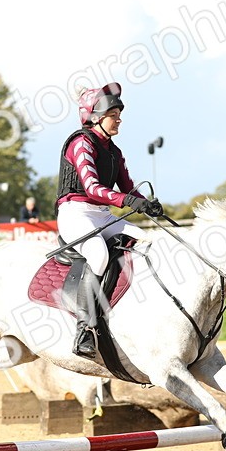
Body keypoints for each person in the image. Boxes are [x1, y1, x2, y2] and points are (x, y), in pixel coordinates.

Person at [55, 82, 161, 358]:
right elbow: (92, 188)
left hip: (101, 215)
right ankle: (85, 329)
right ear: (95, 117)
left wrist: (147, 204)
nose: (119, 120)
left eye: (119, 114)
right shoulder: (81, 143)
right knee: (98, 254)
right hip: (75, 213)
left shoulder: (114, 151)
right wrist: (127, 201)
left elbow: (128, 188)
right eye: (113, 115)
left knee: (149, 241)